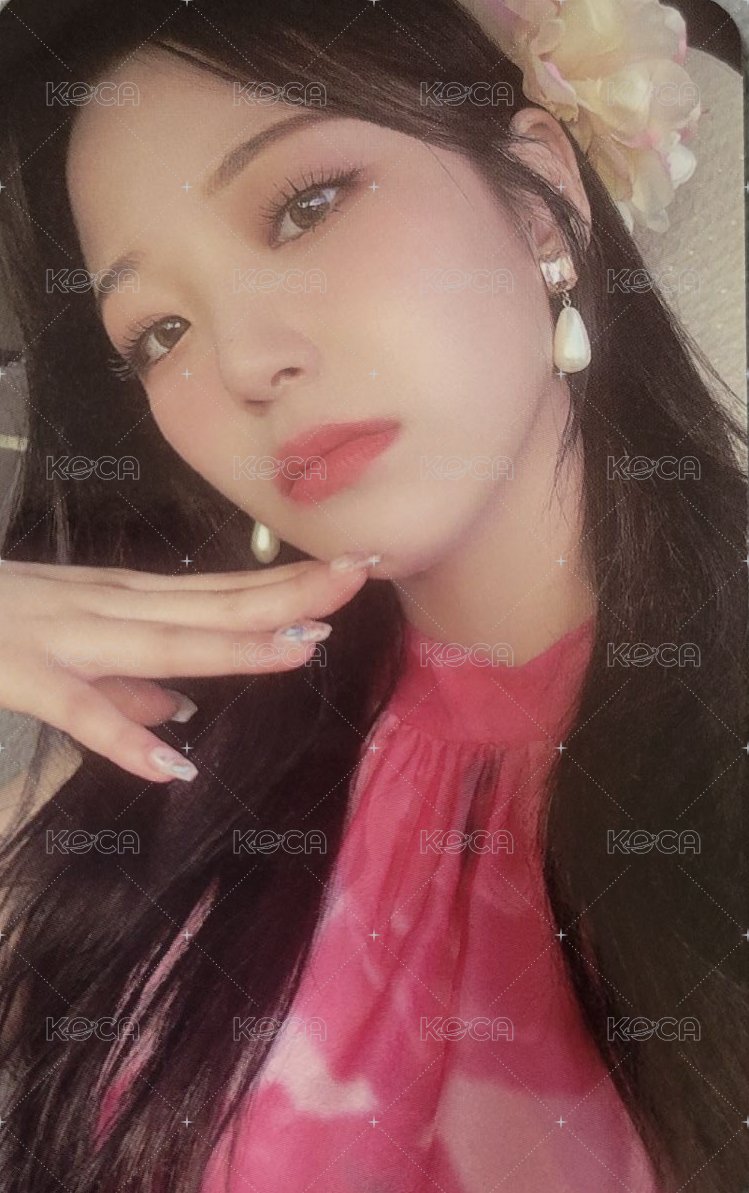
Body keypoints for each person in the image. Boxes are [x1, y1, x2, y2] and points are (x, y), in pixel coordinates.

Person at [0, 0, 745, 1190]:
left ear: (540, 201)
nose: (244, 364)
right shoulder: (155, 752)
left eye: (305, 206)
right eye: (160, 331)